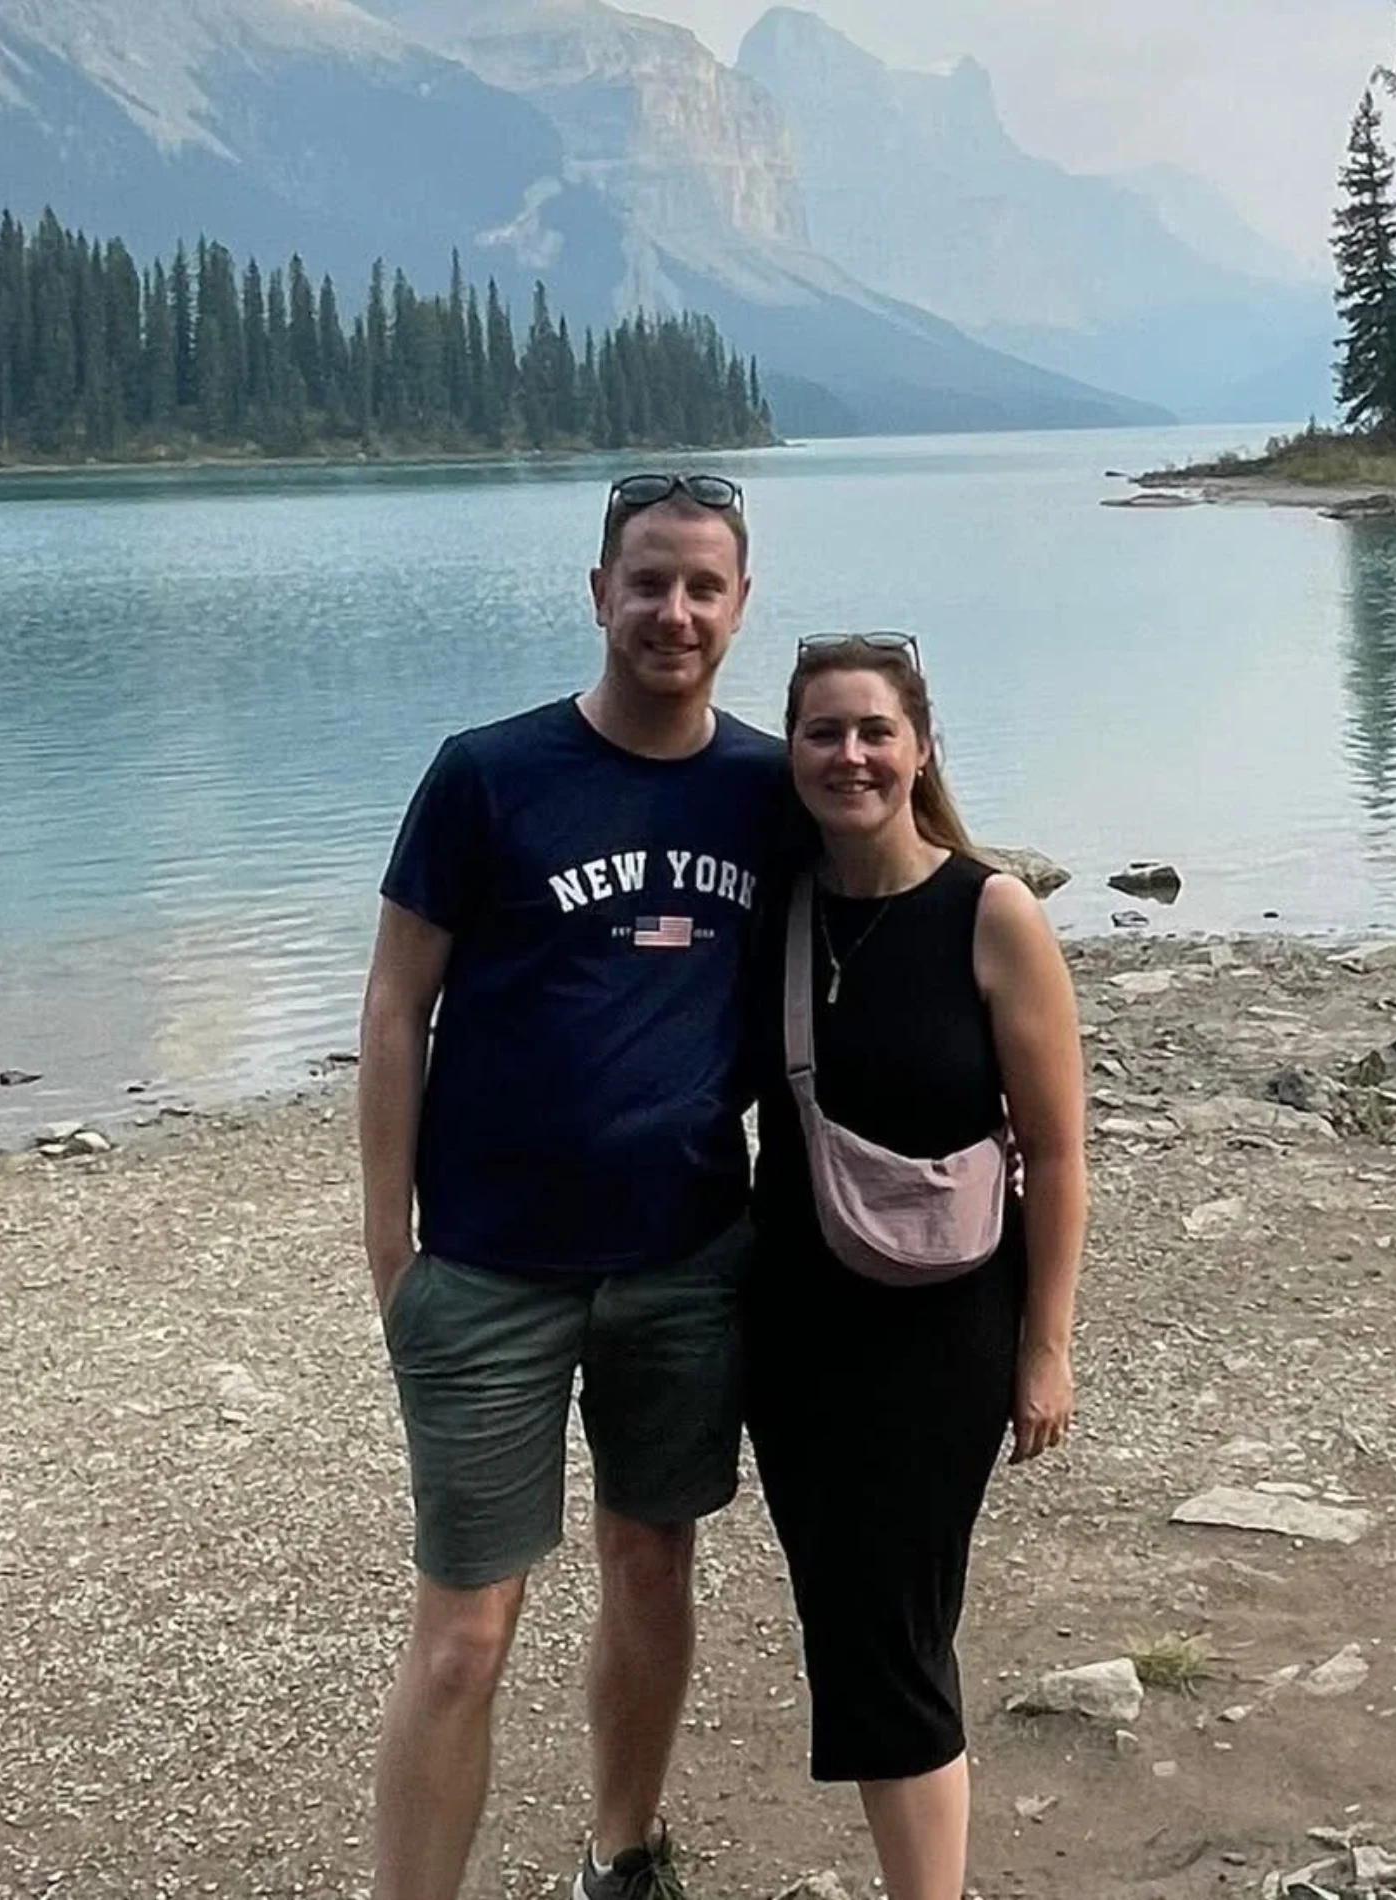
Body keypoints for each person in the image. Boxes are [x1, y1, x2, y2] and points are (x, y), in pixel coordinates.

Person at [358, 471, 789, 1900]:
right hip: (488, 1265)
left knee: (653, 1568)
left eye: (703, 587)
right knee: (467, 1628)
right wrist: (389, 1252)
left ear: (739, 607)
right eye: (648, 581)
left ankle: (626, 1847)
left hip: (681, 1261)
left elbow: (903, 914)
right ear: (598, 594)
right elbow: (391, 1006)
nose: (674, 611)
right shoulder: (488, 776)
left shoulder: (767, 789)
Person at [746, 633, 1089, 1900]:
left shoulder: (990, 912)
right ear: (789, 752)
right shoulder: (775, 906)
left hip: (944, 1338)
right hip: (788, 1335)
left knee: (890, 1631)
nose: (850, 755)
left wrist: (1043, 1349)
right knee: (849, 1620)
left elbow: (1056, 1155)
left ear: (921, 746)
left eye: (874, 731)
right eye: (823, 732)